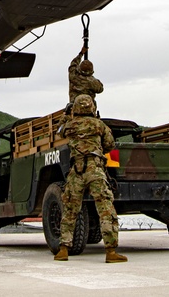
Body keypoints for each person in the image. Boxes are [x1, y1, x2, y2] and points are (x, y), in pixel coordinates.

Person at [54, 94, 127, 263]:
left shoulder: (69, 126)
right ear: (92, 108)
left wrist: (66, 115)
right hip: (95, 169)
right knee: (106, 208)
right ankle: (110, 252)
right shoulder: (99, 125)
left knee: (70, 210)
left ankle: (63, 249)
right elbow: (110, 144)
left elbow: (59, 131)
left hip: (77, 170)